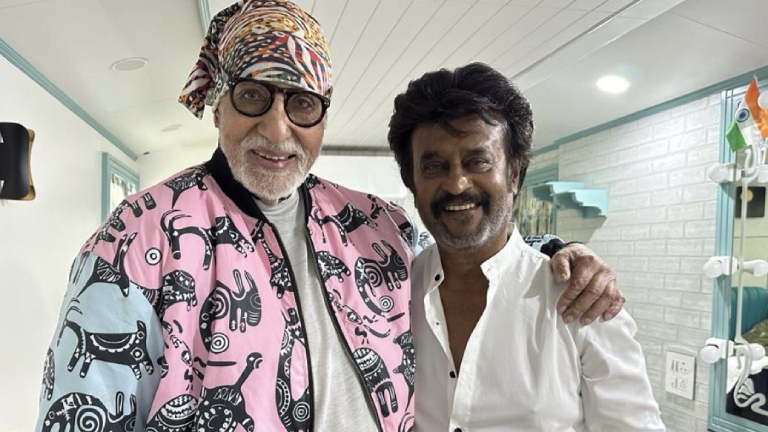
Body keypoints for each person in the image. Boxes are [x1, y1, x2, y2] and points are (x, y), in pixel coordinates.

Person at [34, 2, 623, 431]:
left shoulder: (375, 225)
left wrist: (556, 252)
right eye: (252, 95)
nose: (277, 129)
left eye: (302, 104)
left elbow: (462, 251)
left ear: (322, 117)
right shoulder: (136, 237)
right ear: (219, 105)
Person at [388, 62, 664, 431]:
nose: (456, 184)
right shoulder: (389, 295)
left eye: (478, 162)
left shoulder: (581, 300)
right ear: (412, 182)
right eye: (434, 167)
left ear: (514, 174)